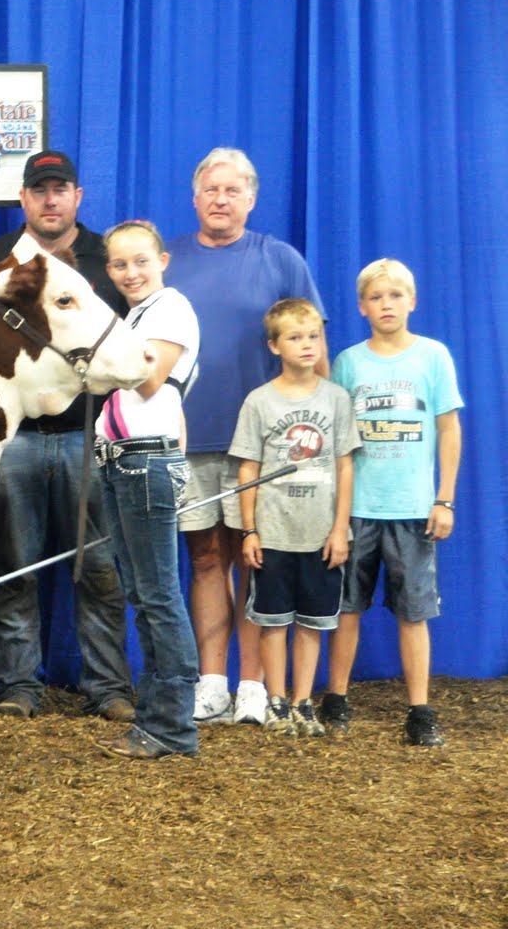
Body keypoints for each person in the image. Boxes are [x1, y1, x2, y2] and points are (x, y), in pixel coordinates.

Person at [0, 150, 136, 724]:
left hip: (92, 432)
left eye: (61, 189)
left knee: (102, 567)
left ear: (78, 197)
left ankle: (108, 687)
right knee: (14, 565)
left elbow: (131, 343)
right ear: (24, 200)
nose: (51, 199)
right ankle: (16, 684)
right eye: (40, 190)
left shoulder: (110, 260)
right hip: (16, 440)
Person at [164, 147, 327, 726]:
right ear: (195, 197)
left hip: (264, 449)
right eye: (211, 190)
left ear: (251, 200)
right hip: (189, 440)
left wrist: (323, 430)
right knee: (205, 558)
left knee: (255, 561)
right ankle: (212, 683)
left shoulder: (280, 260)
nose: (220, 199)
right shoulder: (167, 261)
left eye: (233, 191)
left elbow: (313, 349)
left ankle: (254, 685)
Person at [324, 259, 463, 746]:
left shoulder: (433, 357)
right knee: (346, 610)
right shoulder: (348, 362)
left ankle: (420, 710)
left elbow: (449, 430)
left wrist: (443, 498)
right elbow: (339, 441)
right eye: (377, 297)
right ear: (362, 306)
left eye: (396, 296)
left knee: (414, 613)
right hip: (358, 509)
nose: (387, 305)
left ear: (412, 301)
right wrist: (335, 515)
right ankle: (336, 699)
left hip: (412, 509)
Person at [93, 221, 201, 760]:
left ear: (162, 259)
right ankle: (157, 720)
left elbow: (148, 378)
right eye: (118, 265)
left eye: (140, 261)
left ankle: (174, 726)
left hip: (145, 462)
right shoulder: (135, 315)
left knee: (159, 595)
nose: (130, 273)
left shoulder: (170, 308)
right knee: (141, 594)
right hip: (121, 461)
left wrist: (93, 357)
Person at [230, 299, 356, 739]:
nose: (307, 345)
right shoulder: (259, 402)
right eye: (295, 337)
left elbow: (344, 465)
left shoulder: (337, 399)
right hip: (274, 532)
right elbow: (248, 467)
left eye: (313, 337)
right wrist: (250, 529)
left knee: (312, 623)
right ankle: (276, 700)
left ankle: (304, 701)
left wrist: (340, 529)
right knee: (272, 620)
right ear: (274, 345)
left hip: (321, 535)